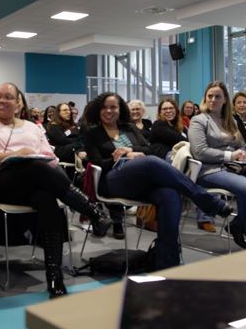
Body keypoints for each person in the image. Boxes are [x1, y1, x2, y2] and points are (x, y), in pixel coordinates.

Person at [0, 83, 112, 298]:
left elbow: (52, 158)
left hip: (34, 182)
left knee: (47, 199)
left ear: (18, 104)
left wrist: (36, 158)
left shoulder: (32, 127)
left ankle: (54, 276)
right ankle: (93, 210)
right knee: (36, 168)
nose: (0, 100)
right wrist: (13, 155)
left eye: (7, 97)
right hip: (0, 182)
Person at [84, 92, 233, 270]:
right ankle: (204, 199)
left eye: (113, 107)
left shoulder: (129, 127)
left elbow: (148, 149)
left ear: (120, 109)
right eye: (105, 107)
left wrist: (130, 150)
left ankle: (166, 260)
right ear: (98, 110)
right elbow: (96, 162)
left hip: (141, 180)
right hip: (113, 179)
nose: (109, 111)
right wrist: (118, 157)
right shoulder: (92, 132)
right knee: (153, 162)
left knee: (170, 194)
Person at [190, 81, 246, 249]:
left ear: (224, 100)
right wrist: (230, 155)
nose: (213, 100)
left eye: (218, 96)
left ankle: (238, 224)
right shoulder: (199, 120)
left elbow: (241, 144)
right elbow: (199, 151)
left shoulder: (230, 121)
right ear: (205, 98)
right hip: (211, 169)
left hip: (237, 167)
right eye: (210, 96)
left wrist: (245, 153)